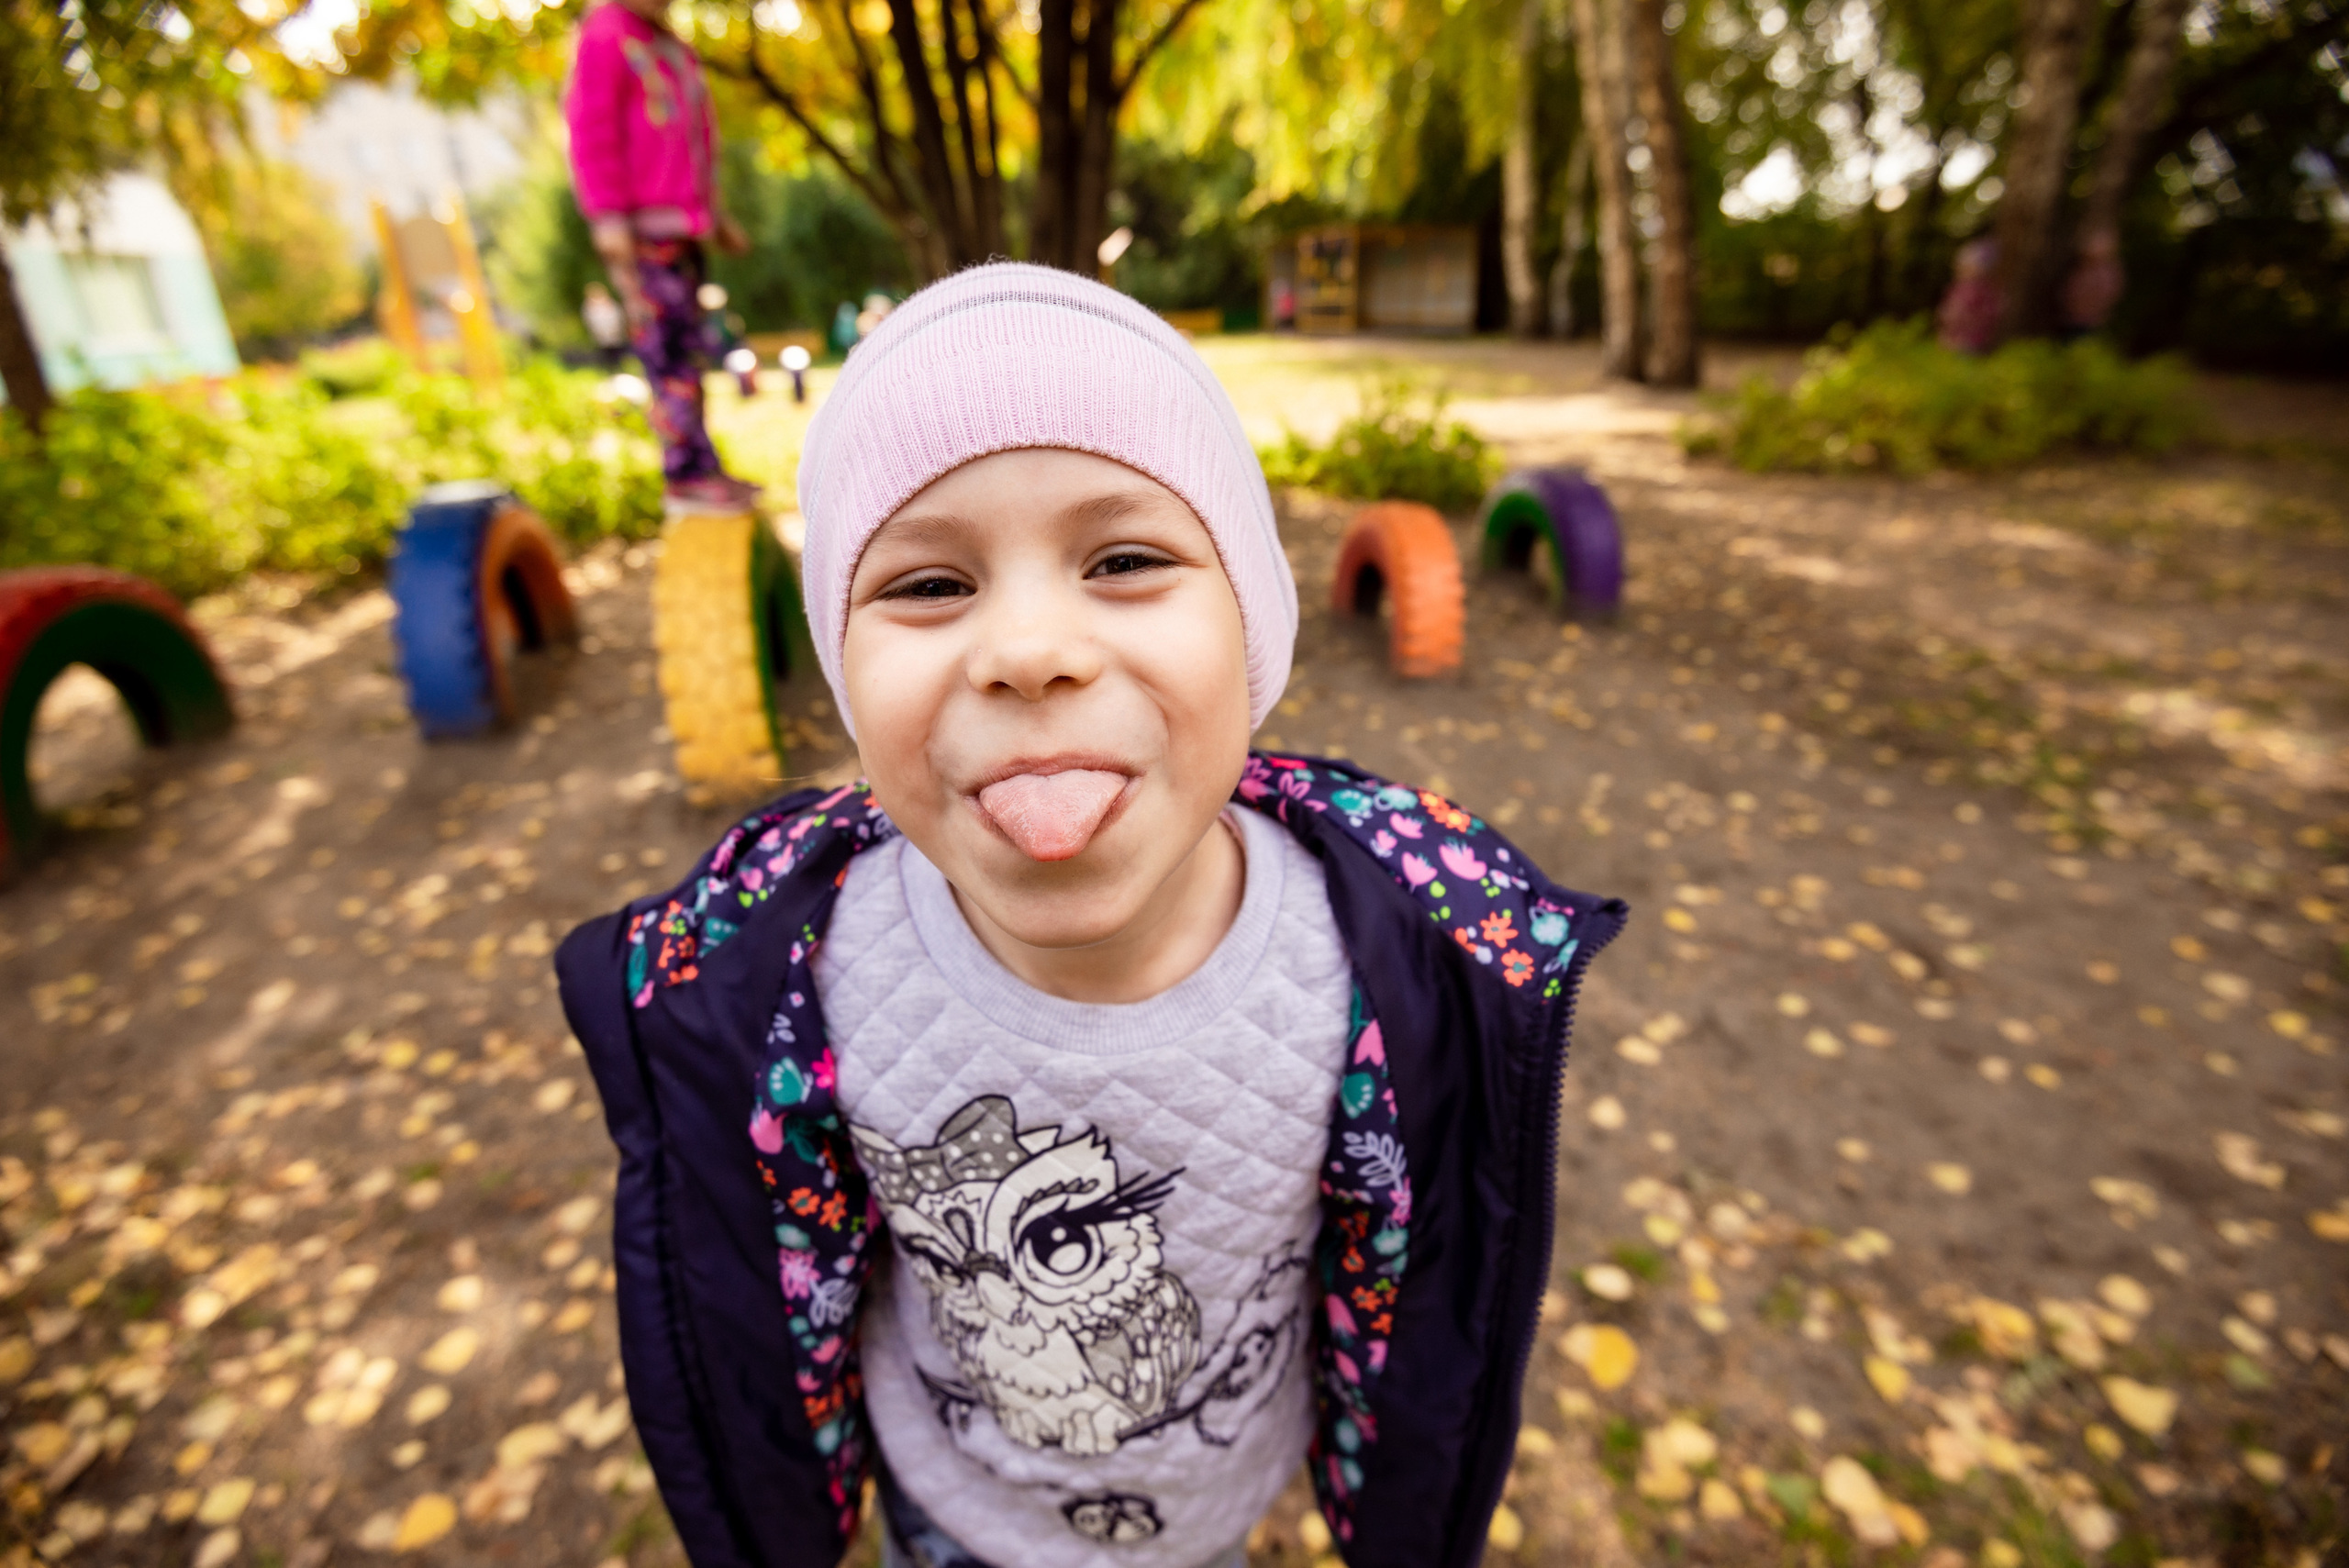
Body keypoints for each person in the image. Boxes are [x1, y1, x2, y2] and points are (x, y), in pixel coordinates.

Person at [555, 264, 1627, 1568]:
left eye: (1124, 559)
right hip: (954, 1519)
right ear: (845, 671)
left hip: (1210, 1523)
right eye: (929, 584)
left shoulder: (1377, 963)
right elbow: (778, 1289)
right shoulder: (797, 981)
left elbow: (1400, 1277)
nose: (1029, 647)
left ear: (1252, 627)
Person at [564, 0, 762, 512]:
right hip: (642, 232)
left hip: (684, 228)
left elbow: (698, 136)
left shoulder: (671, 45)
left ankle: (703, 466)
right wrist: (608, 217)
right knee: (667, 353)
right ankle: (685, 474)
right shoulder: (606, 33)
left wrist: (714, 215)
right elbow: (592, 129)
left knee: (692, 351)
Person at [1936, 235, 2003, 355]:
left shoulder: (1975, 290)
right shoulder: (1960, 287)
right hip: (1954, 337)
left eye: (1965, 266)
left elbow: (1960, 312)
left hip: (1967, 340)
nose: (1959, 268)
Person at [581, 281, 628, 372]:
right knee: (607, 358)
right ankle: (612, 371)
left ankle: (620, 370)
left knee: (618, 355)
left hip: (615, 335)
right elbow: (590, 322)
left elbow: (618, 317)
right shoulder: (588, 307)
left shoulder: (610, 304)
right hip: (602, 337)